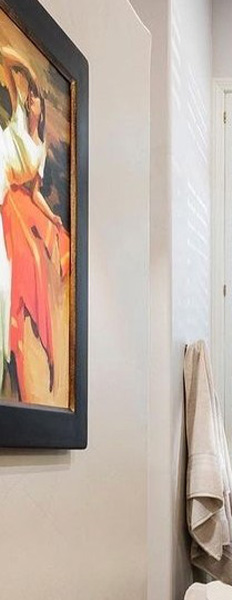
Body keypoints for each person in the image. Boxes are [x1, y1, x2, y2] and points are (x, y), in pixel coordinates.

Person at [0, 46, 68, 402]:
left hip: (21, 198)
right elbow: (14, 71)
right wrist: (26, 65)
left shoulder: (39, 148)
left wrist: (52, 215)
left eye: (34, 102)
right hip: (5, 191)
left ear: (40, 110)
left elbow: (37, 192)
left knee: (41, 258)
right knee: (26, 255)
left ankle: (45, 347)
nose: (29, 105)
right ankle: (14, 338)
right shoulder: (13, 123)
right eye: (27, 102)